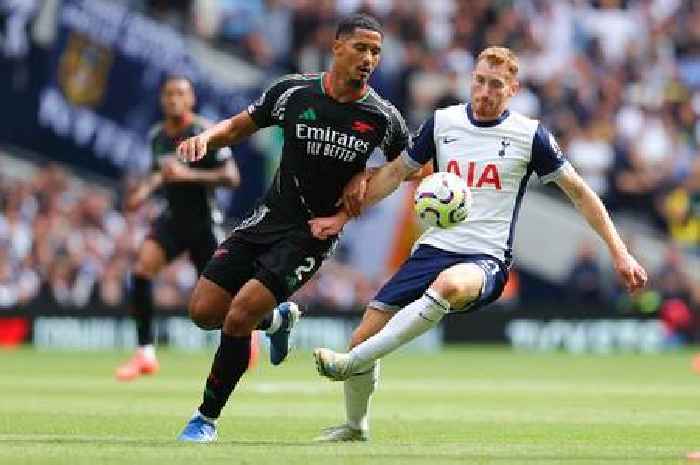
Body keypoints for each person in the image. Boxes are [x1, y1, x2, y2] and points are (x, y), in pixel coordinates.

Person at [309, 46, 648, 442]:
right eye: (480, 81)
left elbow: (580, 193)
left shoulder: (529, 135)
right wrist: (342, 216)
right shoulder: (443, 123)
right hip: (433, 249)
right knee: (362, 336)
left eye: (496, 85)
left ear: (513, 89)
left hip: (485, 258)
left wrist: (620, 252)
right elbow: (397, 172)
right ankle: (355, 425)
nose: (485, 91)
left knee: (448, 287)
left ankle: (348, 364)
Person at [174, 14, 410, 442]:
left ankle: (205, 418)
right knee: (204, 312)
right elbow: (242, 125)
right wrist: (206, 139)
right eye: (361, 48)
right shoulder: (292, 91)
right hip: (267, 218)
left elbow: (414, 166)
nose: (369, 58)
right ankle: (278, 321)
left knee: (240, 313)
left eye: (376, 51)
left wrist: (368, 176)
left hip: (313, 233)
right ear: (336, 47)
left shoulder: (382, 116)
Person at [114, 76, 243, 381]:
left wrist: (187, 175)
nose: (173, 99)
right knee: (142, 270)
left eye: (179, 94)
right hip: (173, 219)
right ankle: (145, 353)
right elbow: (159, 173)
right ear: (162, 99)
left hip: (204, 222)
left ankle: (246, 336)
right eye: (168, 94)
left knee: (218, 301)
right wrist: (142, 193)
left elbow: (231, 177)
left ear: (191, 100)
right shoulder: (157, 135)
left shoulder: (203, 131)